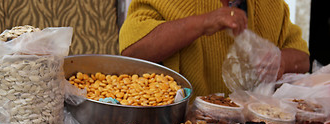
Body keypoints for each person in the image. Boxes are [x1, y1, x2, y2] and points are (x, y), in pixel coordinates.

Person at [118, 0, 310, 97]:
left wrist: (280, 61)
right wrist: (204, 23)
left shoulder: (271, 5)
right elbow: (132, 50)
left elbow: (302, 58)